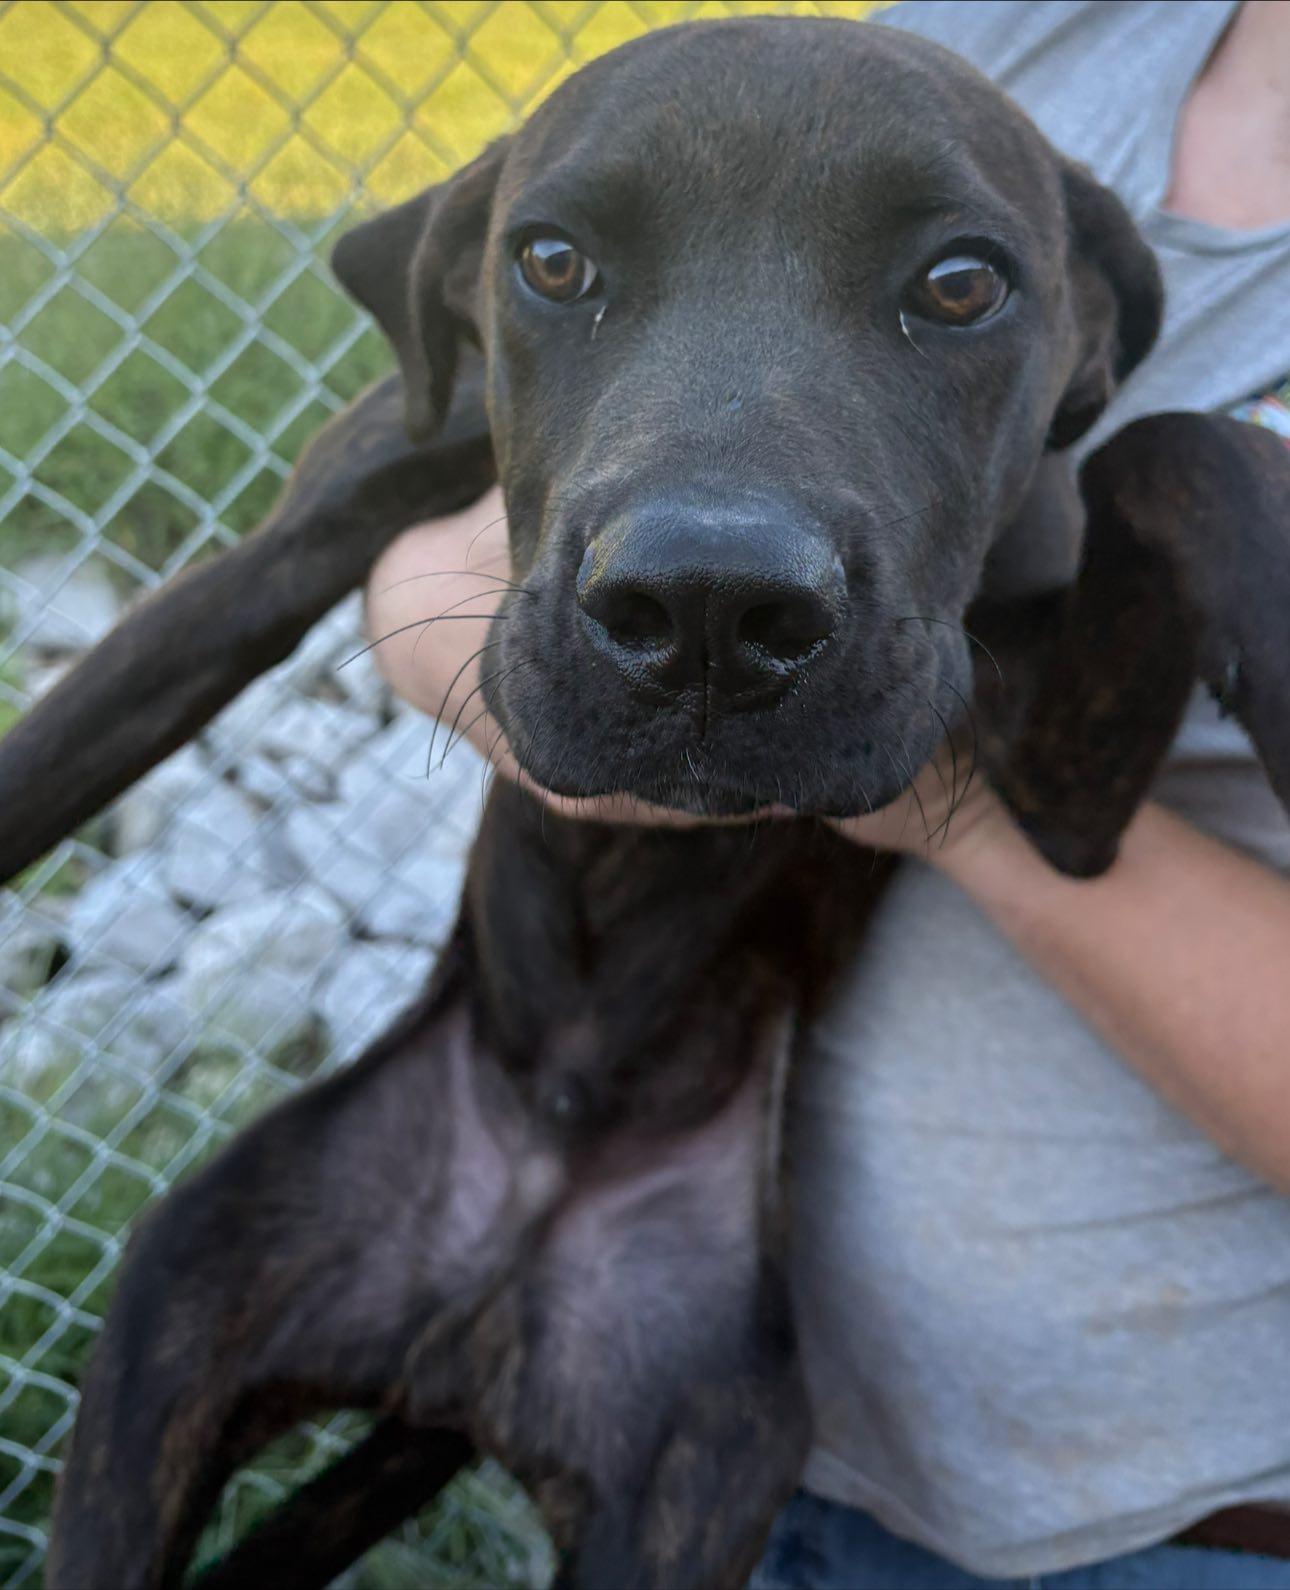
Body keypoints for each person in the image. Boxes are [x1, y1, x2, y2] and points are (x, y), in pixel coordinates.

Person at [364, 3, 1290, 1585]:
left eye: (952, 285)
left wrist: (939, 796)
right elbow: (432, 563)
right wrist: (524, 644)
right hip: (753, 1448)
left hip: (1188, 1527)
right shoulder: (998, 34)